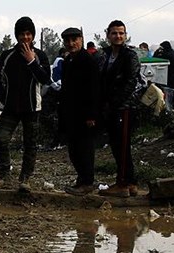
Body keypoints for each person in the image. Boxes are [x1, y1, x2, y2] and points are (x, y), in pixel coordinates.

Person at [0, 16, 51, 192]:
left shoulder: (40, 55)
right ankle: (4, 176)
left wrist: (32, 61)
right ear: (16, 35)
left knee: (30, 144)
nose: (25, 38)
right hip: (10, 108)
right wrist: (4, 98)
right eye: (22, 34)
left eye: (28, 34)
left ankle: (25, 179)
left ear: (33, 35)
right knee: (1, 139)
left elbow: (45, 79)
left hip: (32, 108)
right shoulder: (7, 55)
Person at [98, 20, 140, 198]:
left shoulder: (129, 56)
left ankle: (123, 184)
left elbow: (131, 81)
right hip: (111, 106)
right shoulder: (106, 55)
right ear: (108, 35)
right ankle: (130, 182)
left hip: (124, 107)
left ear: (125, 35)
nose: (118, 36)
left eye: (121, 33)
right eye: (115, 33)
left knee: (122, 145)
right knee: (118, 145)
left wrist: (116, 102)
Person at [59, 27, 100, 196]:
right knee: (74, 149)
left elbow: (94, 88)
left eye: (74, 40)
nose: (71, 44)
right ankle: (82, 179)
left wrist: (91, 114)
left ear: (81, 40)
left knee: (84, 149)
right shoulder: (68, 61)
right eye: (67, 41)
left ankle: (87, 181)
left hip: (84, 114)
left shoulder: (87, 60)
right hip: (71, 113)